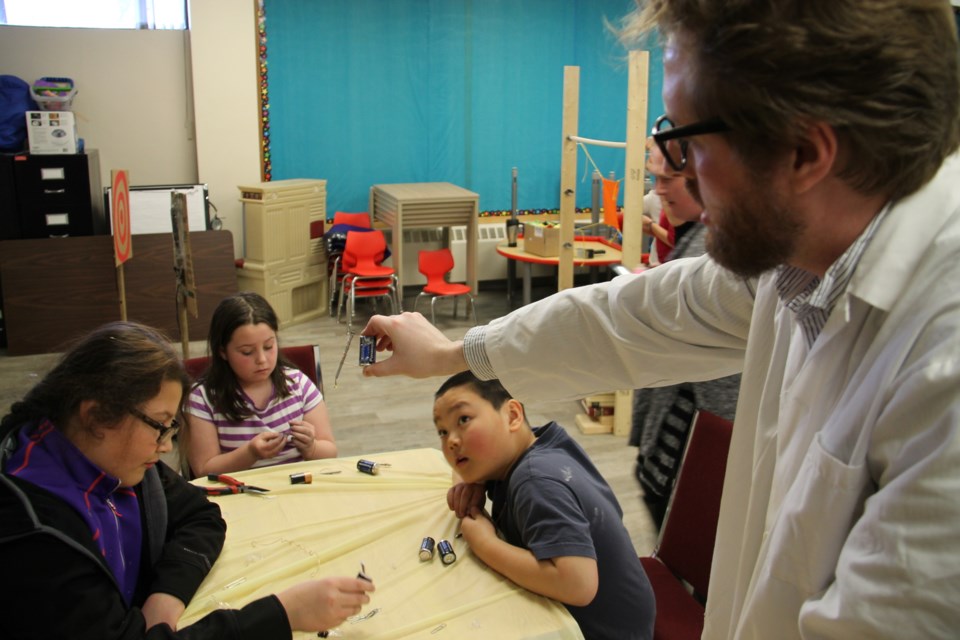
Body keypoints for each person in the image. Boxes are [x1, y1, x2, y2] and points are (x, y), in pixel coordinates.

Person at [360, 1, 960, 637]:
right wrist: (455, 355)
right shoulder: (797, 265)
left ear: (805, 153)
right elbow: (626, 318)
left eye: (688, 143)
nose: (669, 178)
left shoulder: (940, 367)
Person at [0, 321, 374, 639]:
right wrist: (284, 614)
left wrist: (165, 596)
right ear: (96, 417)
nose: (165, 448)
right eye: (159, 427)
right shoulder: (35, 538)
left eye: (170, 429)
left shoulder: (115, 459)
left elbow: (201, 514)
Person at [434, 371, 654, 640]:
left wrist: (485, 544)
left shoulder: (535, 481)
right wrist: (473, 480)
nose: (452, 441)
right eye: (443, 431)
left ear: (513, 416)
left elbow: (578, 586)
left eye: (464, 420)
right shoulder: (535, 444)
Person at [631, 142, 742, 527]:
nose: (659, 190)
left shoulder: (715, 251)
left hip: (695, 462)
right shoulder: (694, 238)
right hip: (675, 454)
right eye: (655, 179)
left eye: (668, 179)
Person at [185, 292, 336, 476]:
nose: (262, 360)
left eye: (268, 346)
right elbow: (203, 471)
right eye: (247, 352)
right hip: (237, 495)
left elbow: (330, 452)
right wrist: (250, 454)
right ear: (223, 352)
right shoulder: (202, 399)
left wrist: (311, 448)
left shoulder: (297, 383)